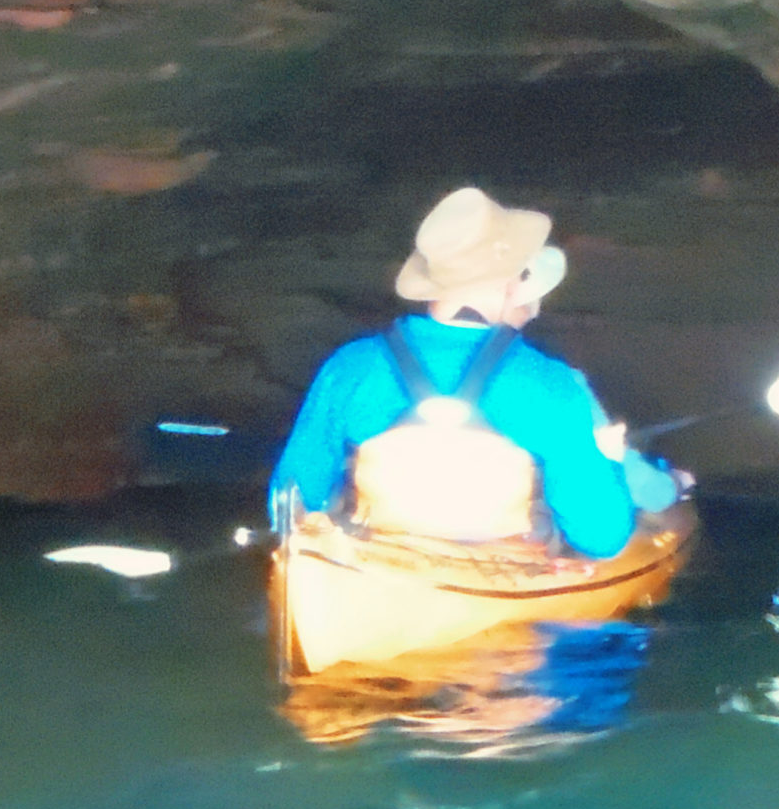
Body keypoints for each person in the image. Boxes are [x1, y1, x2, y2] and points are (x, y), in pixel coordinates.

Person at [270, 187, 680, 560]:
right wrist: (608, 462)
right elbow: (601, 538)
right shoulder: (551, 385)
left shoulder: (349, 368)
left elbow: (291, 504)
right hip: (496, 569)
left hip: (377, 566)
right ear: (512, 282)